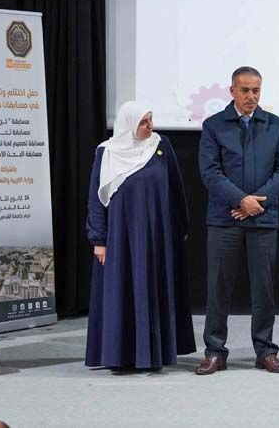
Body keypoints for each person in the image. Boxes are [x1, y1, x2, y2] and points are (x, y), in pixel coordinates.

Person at [196, 66, 279, 375]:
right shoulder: (214, 125)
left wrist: (256, 204)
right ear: (232, 91)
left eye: (256, 91)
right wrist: (241, 200)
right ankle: (215, 351)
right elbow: (210, 172)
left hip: (263, 219)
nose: (251, 96)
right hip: (224, 220)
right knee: (218, 288)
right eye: (245, 90)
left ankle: (265, 351)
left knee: (263, 288)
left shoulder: (275, 125)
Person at [85, 102, 196, 370]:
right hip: (120, 238)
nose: (150, 126)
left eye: (151, 120)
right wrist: (98, 240)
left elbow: (176, 189)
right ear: (129, 124)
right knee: (122, 290)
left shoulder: (160, 146)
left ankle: (154, 354)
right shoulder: (107, 152)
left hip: (157, 236)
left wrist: (181, 227)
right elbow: (96, 199)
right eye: (143, 122)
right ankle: (120, 356)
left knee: (154, 286)